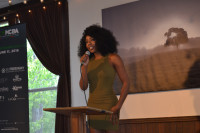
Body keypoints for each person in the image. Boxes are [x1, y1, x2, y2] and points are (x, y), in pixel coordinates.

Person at [78, 24, 130, 133]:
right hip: (92, 108)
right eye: (87, 41)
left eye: (92, 40)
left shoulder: (113, 58)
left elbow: (126, 83)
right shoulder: (87, 62)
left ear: (100, 40)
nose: (89, 44)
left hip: (110, 106)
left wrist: (118, 106)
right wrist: (84, 67)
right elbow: (83, 87)